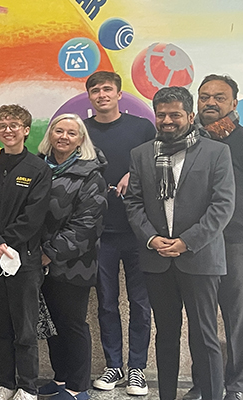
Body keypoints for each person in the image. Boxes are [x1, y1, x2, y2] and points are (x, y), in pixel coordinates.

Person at [125, 86, 235, 400]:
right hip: (157, 259)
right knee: (166, 336)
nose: (168, 120)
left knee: (204, 337)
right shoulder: (142, 154)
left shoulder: (216, 152)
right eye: (161, 115)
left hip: (200, 258)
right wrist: (151, 238)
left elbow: (222, 206)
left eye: (175, 114)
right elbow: (133, 203)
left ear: (190, 115)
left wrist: (187, 242)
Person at [0, 105, 51, 400]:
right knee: (0, 326)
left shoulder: (38, 169)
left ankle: (28, 386)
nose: (8, 130)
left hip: (23, 261)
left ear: (26, 130)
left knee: (25, 328)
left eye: (14, 125)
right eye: (2, 125)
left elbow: (34, 216)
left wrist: (5, 246)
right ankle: (4, 383)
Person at [83, 71, 154, 395]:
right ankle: (113, 366)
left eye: (107, 89)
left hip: (140, 231)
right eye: (95, 90)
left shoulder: (141, 128)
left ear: (119, 94)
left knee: (140, 303)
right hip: (101, 232)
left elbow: (160, 165)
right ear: (90, 97)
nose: (102, 95)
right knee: (107, 303)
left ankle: (137, 368)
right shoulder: (82, 130)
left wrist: (133, 173)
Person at [36, 114, 107, 400]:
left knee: (72, 323)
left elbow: (87, 224)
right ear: (50, 134)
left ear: (81, 140)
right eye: (59, 131)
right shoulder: (38, 167)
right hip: (39, 262)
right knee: (52, 323)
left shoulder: (91, 174)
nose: (64, 136)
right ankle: (61, 378)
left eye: (71, 133)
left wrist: (50, 253)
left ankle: (78, 387)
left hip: (74, 264)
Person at [191, 75, 243, 400]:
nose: (210, 103)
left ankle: (239, 385)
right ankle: (203, 384)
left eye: (219, 97)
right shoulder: (189, 143)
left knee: (238, 319)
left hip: (237, 243)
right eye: (204, 97)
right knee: (201, 322)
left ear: (233, 102)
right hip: (197, 244)